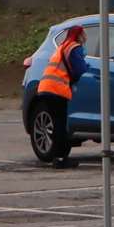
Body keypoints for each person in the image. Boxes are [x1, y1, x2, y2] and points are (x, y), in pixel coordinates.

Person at [35, 24, 87, 168]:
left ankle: (58, 157)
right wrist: (86, 64)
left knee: (57, 123)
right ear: (79, 35)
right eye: (84, 33)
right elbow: (80, 69)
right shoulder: (74, 47)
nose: (86, 36)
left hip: (46, 87)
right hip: (57, 89)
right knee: (59, 125)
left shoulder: (63, 46)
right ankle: (60, 158)